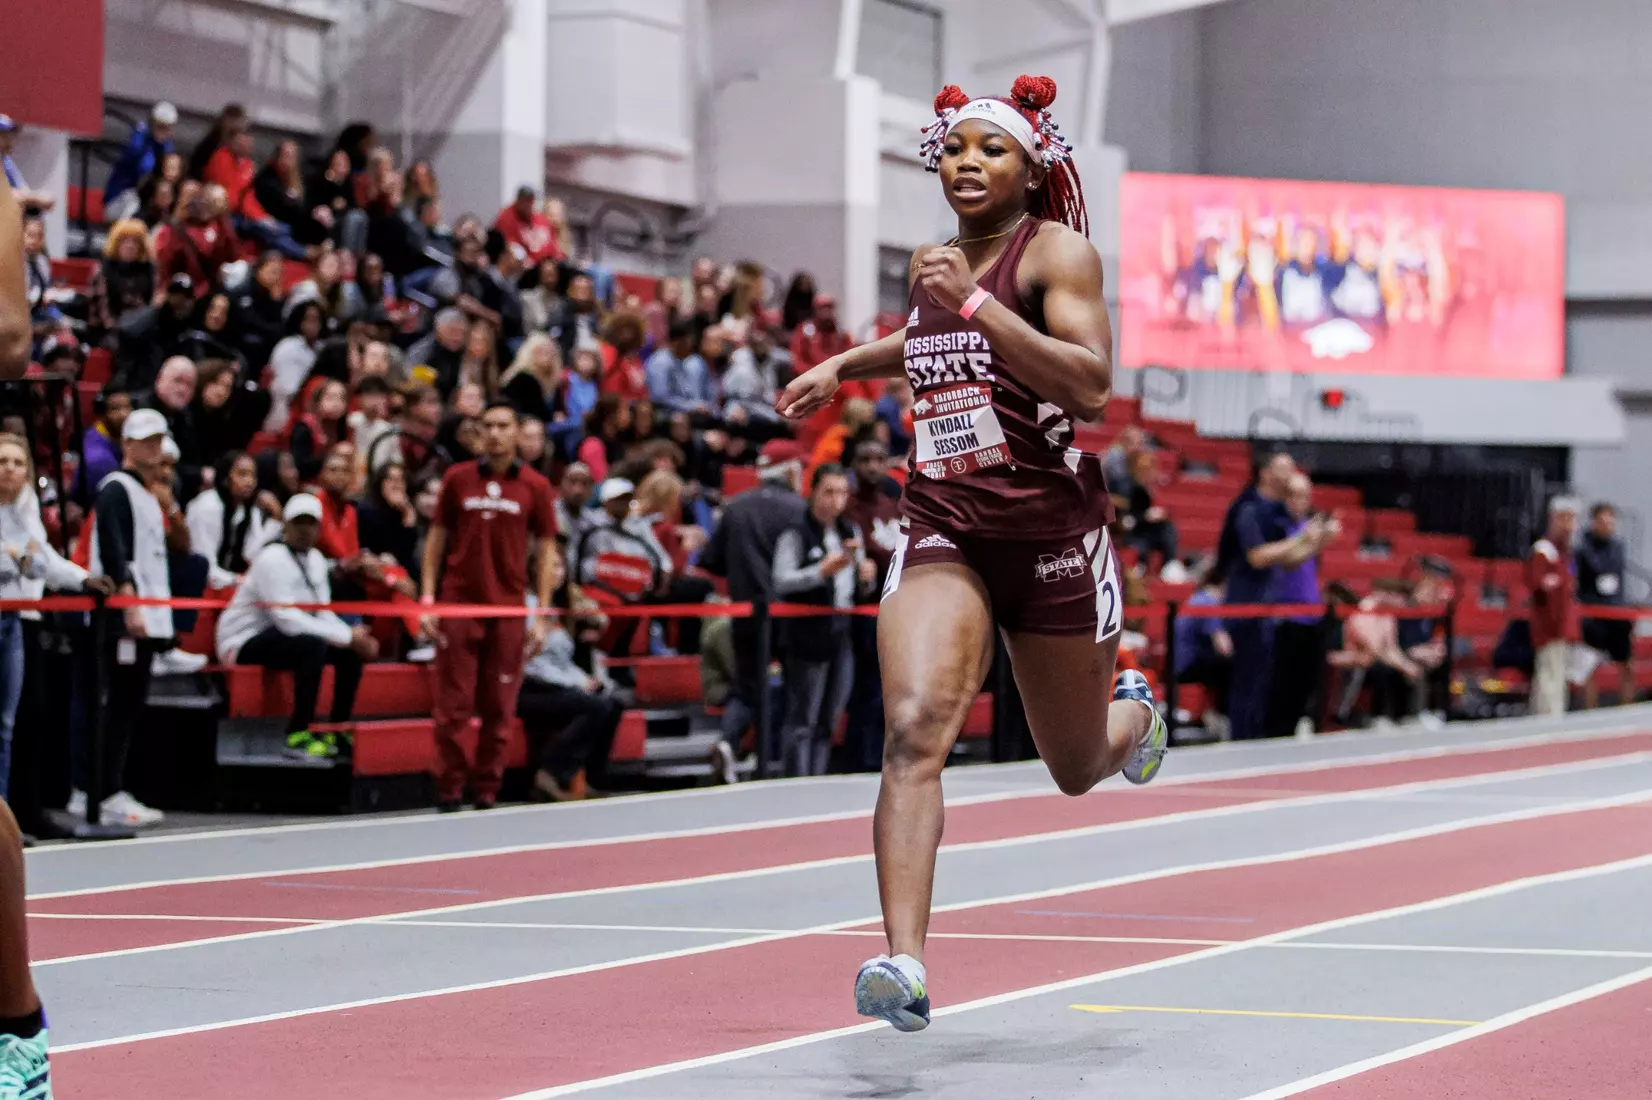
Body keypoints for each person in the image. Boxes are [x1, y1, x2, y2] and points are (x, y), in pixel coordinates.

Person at [776, 74, 1166, 1033]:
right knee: (913, 727)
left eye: (991, 149)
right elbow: (929, 337)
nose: (968, 163)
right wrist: (844, 365)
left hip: (1052, 539)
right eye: (954, 149)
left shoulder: (1058, 253)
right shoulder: (938, 265)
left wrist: (980, 308)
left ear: (1033, 168)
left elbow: (1090, 387)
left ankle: (1134, 716)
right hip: (944, 523)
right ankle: (902, 963)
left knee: (1073, 766)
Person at [420, 401, 558, 811]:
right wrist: (429, 600)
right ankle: (449, 788)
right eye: (488, 426)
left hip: (510, 609)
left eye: (503, 426)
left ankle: (486, 789)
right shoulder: (458, 479)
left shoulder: (535, 486)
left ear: (517, 433)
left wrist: (542, 612)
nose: (495, 433)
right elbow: (436, 540)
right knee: (453, 706)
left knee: (500, 706)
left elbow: (547, 551)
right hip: (460, 605)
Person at [216, 493, 378, 758]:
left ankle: (337, 728)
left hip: (283, 637)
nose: (305, 530)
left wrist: (351, 637)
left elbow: (320, 612)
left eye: (311, 524)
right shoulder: (271, 558)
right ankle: (298, 732)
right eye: (298, 523)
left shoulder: (314, 559)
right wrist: (347, 636)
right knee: (311, 646)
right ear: (286, 526)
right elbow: (287, 619)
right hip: (243, 640)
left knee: (349, 653)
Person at [78, 408, 175, 827]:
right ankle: (98, 790)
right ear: (128, 445)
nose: (154, 448)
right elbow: (115, 549)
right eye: (146, 441)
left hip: (145, 615)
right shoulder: (116, 488)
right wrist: (129, 603)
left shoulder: (146, 493)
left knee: (128, 702)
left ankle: (108, 786)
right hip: (124, 618)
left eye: (159, 440)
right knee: (116, 702)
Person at [0, 435, 107, 798]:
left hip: (18, 621)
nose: (10, 470)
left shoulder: (25, 511)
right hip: (8, 616)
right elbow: (23, 563)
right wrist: (20, 558)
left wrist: (82, 579)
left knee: (9, 725)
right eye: (2, 461)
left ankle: (9, 818)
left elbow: (39, 562)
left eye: (18, 463)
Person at [771, 465, 875, 776]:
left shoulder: (850, 531)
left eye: (842, 492)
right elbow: (781, 580)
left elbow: (858, 585)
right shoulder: (795, 531)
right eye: (829, 491)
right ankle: (796, 783)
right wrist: (820, 572)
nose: (836, 500)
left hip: (842, 630)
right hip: (807, 631)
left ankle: (817, 780)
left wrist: (866, 577)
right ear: (812, 491)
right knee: (804, 718)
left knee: (830, 717)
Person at [518, 544, 624, 802]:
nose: (558, 572)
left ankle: (591, 778)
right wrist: (576, 683)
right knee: (595, 707)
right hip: (528, 688)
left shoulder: (557, 607)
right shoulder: (526, 606)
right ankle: (550, 773)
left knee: (614, 704)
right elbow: (534, 664)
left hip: (556, 685)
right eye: (550, 566)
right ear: (533, 569)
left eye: (561, 566)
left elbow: (562, 660)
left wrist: (584, 679)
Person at [1265, 471, 1339, 737]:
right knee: (1285, 684)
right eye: (1296, 495)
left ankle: (1302, 723)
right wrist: (1317, 541)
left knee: (1309, 681)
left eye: (1306, 496)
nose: (1302, 501)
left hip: (1311, 614)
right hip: (1287, 617)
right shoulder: (1280, 526)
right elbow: (1289, 561)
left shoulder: (1306, 527)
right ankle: (1278, 731)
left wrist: (1319, 540)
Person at [1527, 497, 1580, 717]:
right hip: (1549, 626)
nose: (1570, 526)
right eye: (1565, 519)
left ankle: (1553, 716)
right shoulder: (1544, 551)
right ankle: (1547, 719)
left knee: (1558, 674)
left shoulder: (1566, 553)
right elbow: (1537, 585)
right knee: (1549, 673)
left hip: (1563, 626)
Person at [1577, 502, 1632, 708]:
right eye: (1602, 521)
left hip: (1615, 612)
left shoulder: (1617, 546)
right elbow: (1593, 570)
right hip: (1593, 614)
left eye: (1610, 521)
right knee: (1590, 664)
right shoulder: (1584, 548)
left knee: (1626, 662)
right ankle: (1589, 708)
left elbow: (1614, 572)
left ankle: (1627, 708)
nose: (1607, 525)